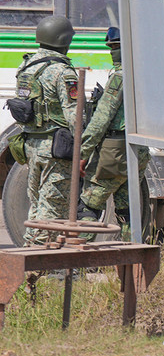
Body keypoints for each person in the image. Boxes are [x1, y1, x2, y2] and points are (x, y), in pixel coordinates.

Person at [76, 27, 150, 241]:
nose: (112, 52)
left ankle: (76, 261)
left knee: (88, 206)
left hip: (114, 153)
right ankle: (130, 262)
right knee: (127, 210)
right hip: (138, 150)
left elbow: (101, 119)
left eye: (116, 47)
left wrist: (83, 152)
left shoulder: (120, 77)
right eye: (111, 47)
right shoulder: (145, 75)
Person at [12, 16, 79, 246]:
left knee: (37, 203)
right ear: (64, 41)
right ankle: (39, 261)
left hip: (31, 145)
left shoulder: (26, 67)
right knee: (52, 207)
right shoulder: (62, 71)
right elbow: (74, 117)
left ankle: (29, 249)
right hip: (55, 150)